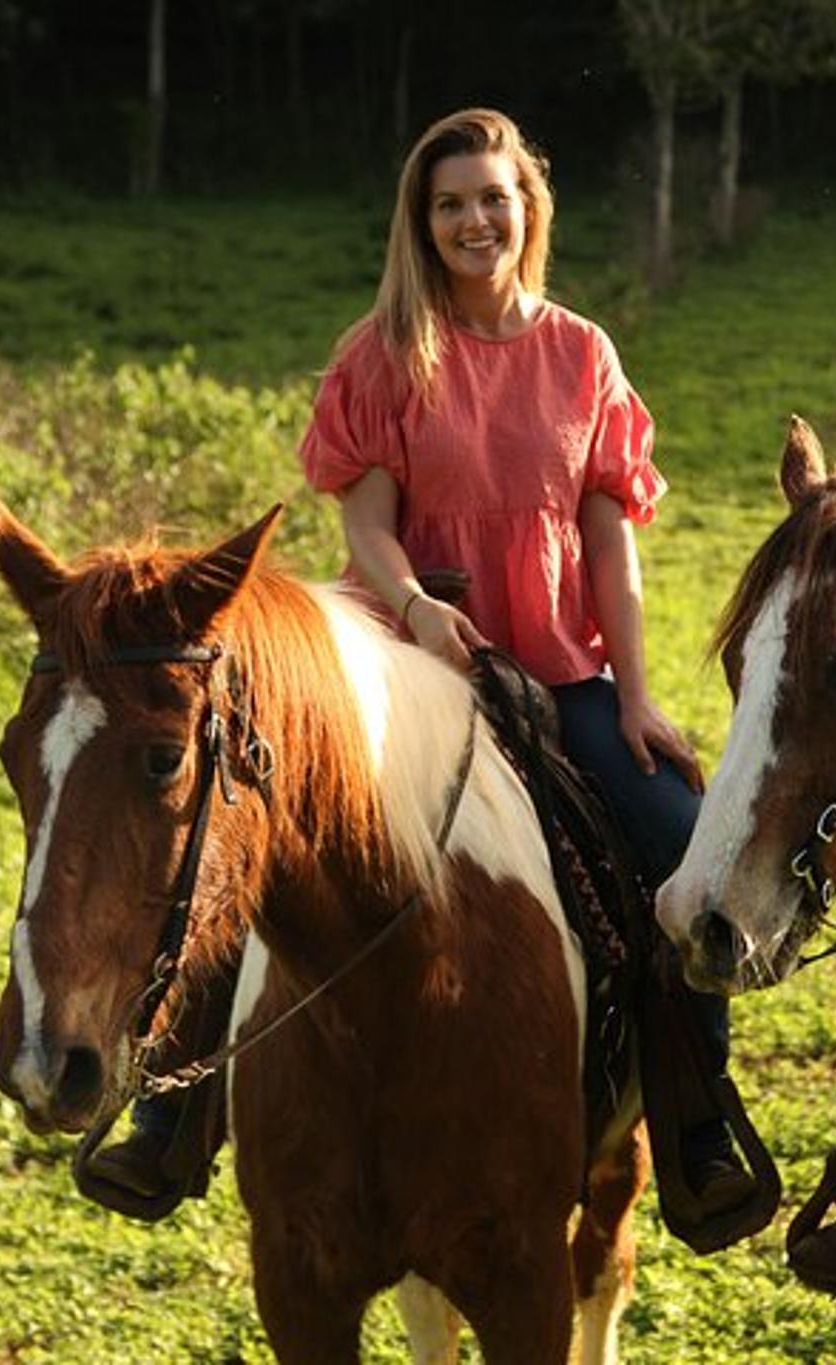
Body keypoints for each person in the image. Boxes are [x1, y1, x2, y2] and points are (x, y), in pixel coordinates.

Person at [90, 107, 752, 1216]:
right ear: (421, 222)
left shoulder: (582, 353)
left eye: (491, 198)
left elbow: (607, 543)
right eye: (448, 204)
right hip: (399, 666)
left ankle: (696, 1118)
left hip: (551, 672)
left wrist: (632, 695)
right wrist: (413, 606)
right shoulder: (384, 352)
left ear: (526, 207)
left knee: (674, 840)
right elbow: (367, 527)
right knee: (253, 830)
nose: (472, 220)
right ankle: (171, 1113)